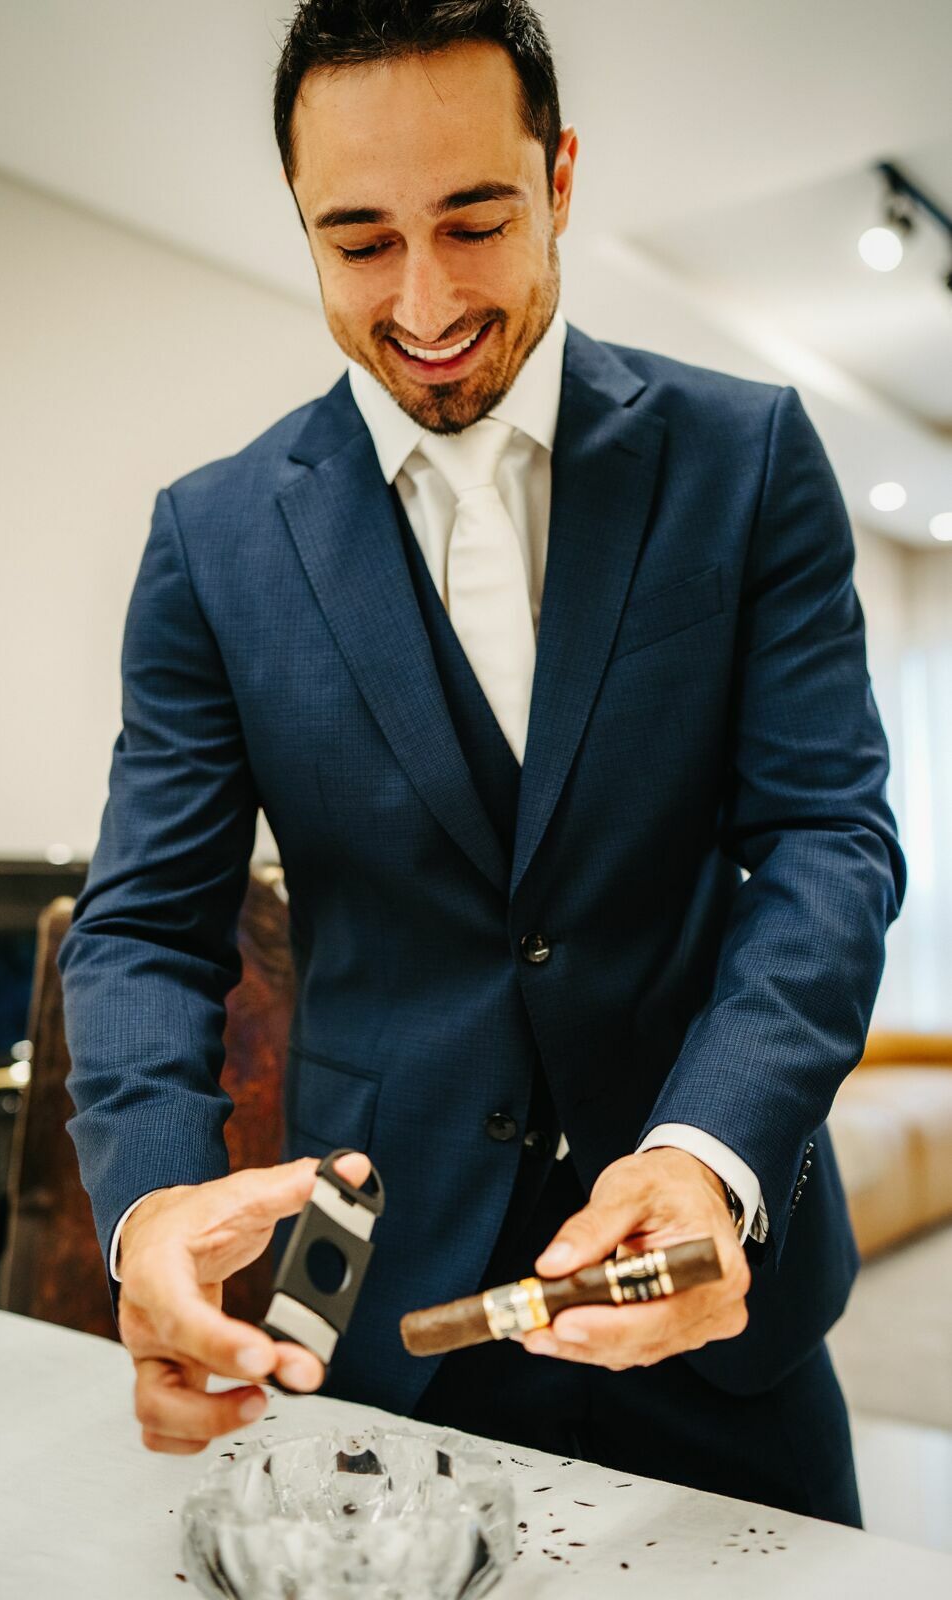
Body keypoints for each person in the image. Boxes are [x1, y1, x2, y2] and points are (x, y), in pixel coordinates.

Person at [58, 0, 905, 1524]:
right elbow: (140, 928)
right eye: (362, 240)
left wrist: (712, 1151)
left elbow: (829, 839)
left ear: (561, 179)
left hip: (718, 1302)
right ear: (301, 225)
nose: (429, 297)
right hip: (377, 1318)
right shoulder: (210, 539)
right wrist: (155, 1209)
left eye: (476, 218)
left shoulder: (750, 457)